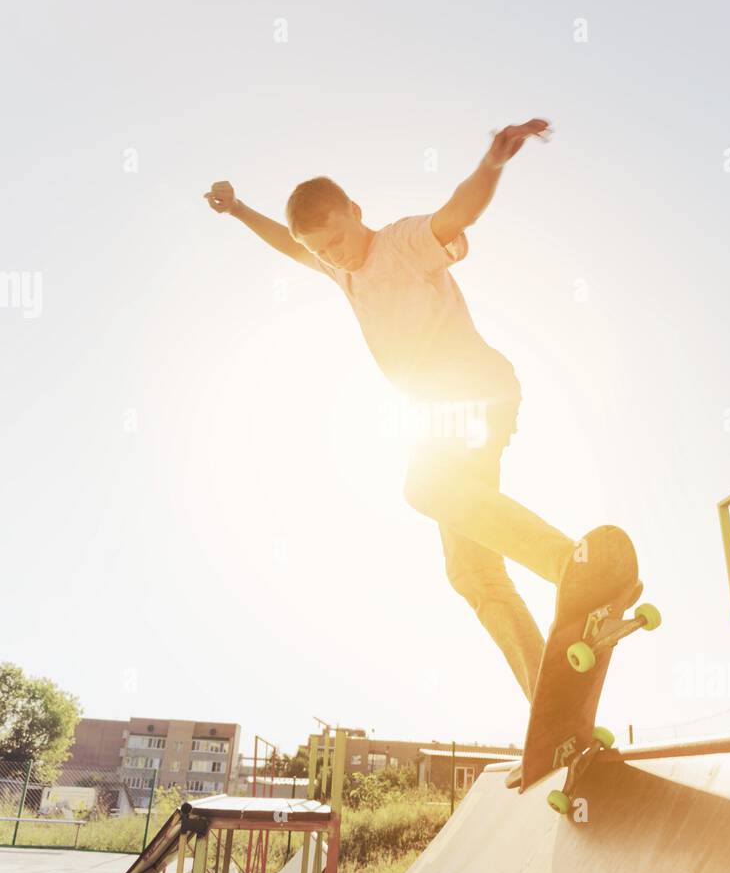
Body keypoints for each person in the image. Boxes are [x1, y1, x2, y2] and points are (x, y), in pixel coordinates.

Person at [205, 120, 596, 703]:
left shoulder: (401, 242)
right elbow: (291, 245)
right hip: (438, 415)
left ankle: (571, 563)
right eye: (322, 251)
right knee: (471, 573)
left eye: (337, 239)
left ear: (355, 211)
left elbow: (456, 214)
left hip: (475, 390)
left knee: (424, 487)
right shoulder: (335, 265)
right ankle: (551, 705)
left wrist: (491, 163)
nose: (334, 256)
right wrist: (239, 210)